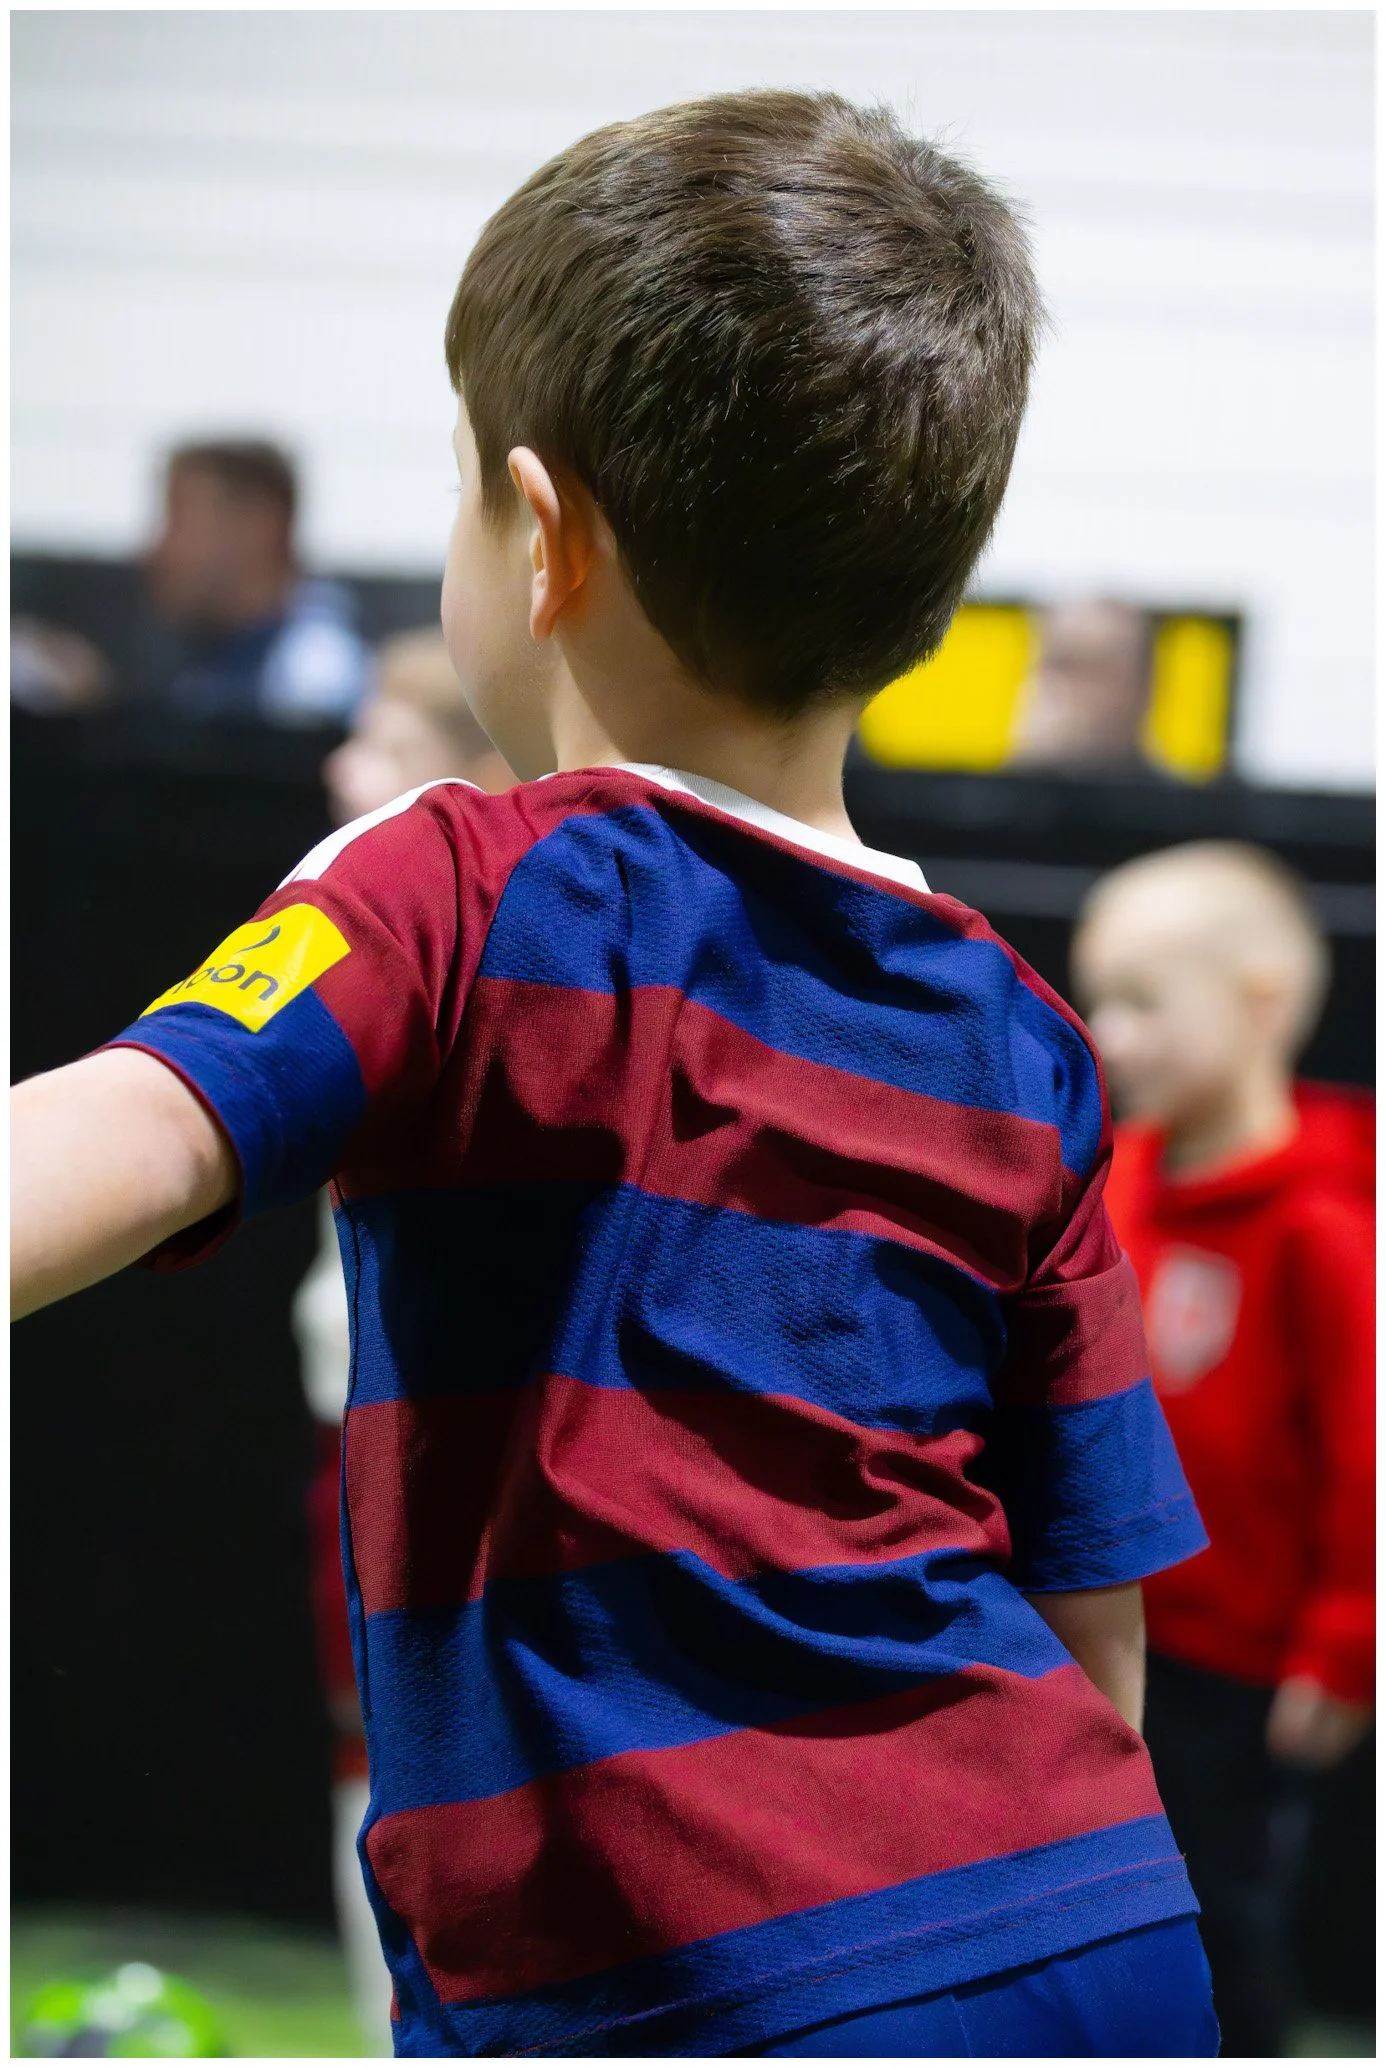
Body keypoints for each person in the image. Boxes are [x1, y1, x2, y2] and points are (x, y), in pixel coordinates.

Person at [12, 92, 1218, 2059]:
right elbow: (1095, 1613)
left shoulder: (459, 880)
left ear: (540, 536)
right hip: (1085, 1923)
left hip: (697, 1985)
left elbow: (121, 1138)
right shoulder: (1020, 1032)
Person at [1072, 842, 1374, 2056]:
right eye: (1100, 999)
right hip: (1112, 1627)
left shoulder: (1326, 1219)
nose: (1110, 1034)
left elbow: (1370, 1453)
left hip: (1240, 1666)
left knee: (1221, 1920)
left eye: (1145, 1003)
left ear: (1261, 1002)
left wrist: (1345, 1644)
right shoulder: (1118, 1178)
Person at [296, 629, 514, 2054]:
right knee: (365, 1769)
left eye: (384, 738)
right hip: (354, 1442)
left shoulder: (481, 931)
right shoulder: (341, 919)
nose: (342, 766)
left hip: (471, 1456)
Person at [142, 439, 370, 725]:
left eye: (178, 519)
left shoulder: (311, 685)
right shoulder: (216, 662)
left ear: (259, 525)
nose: (156, 549)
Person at [1009, 597, 1156, 774]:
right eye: (1060, 663)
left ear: (1141, 687)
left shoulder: (1174, 797)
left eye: (1098, 668)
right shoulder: (1013, 782)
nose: (1067, 687)